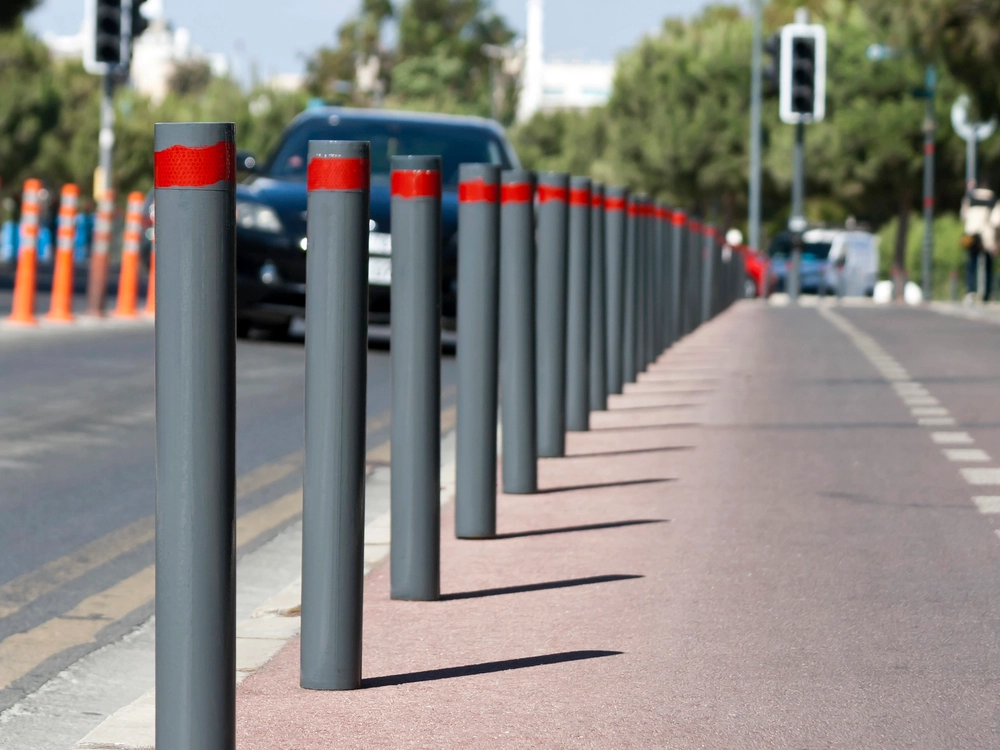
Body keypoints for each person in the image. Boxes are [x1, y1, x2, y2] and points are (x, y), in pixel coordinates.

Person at [961, 180, 1000, 301]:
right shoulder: (994, 198)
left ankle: (971, 291)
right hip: (987, 236)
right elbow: (996, 221)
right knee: (988, 266)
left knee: (971, 264)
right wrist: (997, 242)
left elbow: (963, 216)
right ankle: (986, 294)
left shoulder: (969, 196)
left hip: (972, 234)